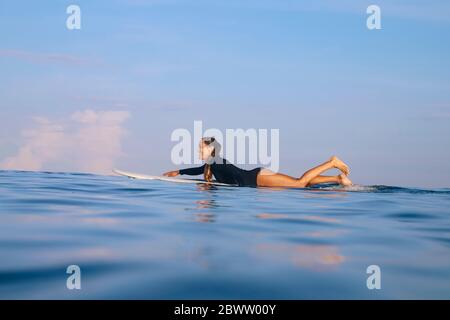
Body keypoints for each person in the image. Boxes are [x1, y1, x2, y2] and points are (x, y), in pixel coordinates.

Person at [163, 137, 352, 188]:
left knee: (300, 184)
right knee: (299, 183)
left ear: (211, 149)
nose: (198, 150)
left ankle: (331, 162)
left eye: (201, 147)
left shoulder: (217, 161)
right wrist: (179, 172)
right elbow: (199, 169)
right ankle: (337, 179)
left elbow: (234, 176)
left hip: (256, 178)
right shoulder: (212, 163)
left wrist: (210, 188)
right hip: (257, 177)